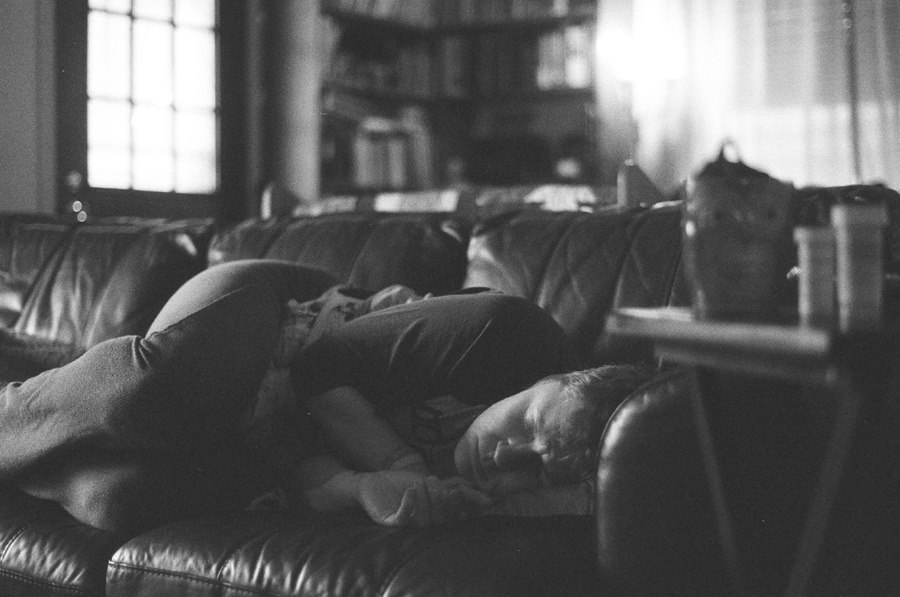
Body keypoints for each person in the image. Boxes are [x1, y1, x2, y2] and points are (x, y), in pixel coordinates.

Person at [0, 260, 651, 533]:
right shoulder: (505, 333)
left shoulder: (494, 492)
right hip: (274, 322)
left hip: (268, 432)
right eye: (527, 424)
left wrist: (354, 489)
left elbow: (302, 454)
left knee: (120, 497)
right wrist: (400, 464)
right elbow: (321, 366)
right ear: (546, 381)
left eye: (532, 467)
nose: (506, 453)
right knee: (152, 395)